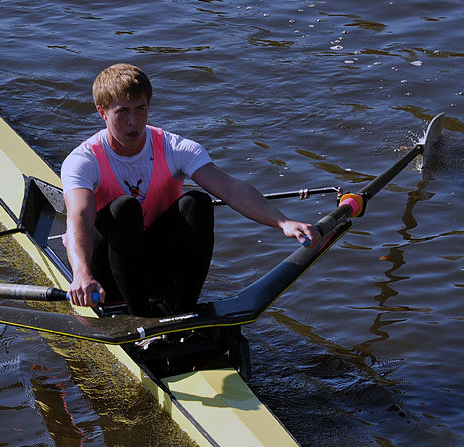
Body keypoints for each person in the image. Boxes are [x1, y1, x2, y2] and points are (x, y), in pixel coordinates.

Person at [61, 63, 318, 316]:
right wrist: (82, 273)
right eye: (122, 112)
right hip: (106, 277)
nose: (134, 121)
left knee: (197, 202)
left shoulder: (175, 148)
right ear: (102, 113)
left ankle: (183, 313)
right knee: (125, 208)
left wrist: (282, 221)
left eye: (141, 109)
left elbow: (230, 189)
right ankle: (140, 319)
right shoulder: (83, 160)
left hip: (154, 267)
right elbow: (80, 216)